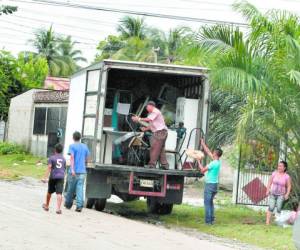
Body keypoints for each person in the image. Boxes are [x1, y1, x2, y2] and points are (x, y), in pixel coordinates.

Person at [132, 101, 169, 169]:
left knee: (154, 148)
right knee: (160, 149)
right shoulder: (152, 113)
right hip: (162, 132)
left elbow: (149, 119)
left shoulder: (155, 111)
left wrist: (139, 119)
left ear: (151, 106)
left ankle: (152, 165)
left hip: (160, 132)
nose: (146, 108)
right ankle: (165, 165)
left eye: (147, 106)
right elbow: (151, 124)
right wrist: (145, 129)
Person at [197, 139, 222, 225]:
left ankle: (208, 222)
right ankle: (211, 220)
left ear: (215, 154)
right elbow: (208, 152)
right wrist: (203, 144)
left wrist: (198, 162)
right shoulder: (217, 162)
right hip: (214, 185)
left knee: (207, 203)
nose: (212, 152)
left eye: (214, 152)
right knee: (210, 203)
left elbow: (203, 171)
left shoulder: (212, 164)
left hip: (209, 185)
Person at [65, 131, 90, 212]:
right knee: (80, 188)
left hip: (74, 171)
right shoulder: (85, 146)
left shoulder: (72, 146)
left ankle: (68, 204)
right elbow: (87, 158)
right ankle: (79, 206)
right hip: (82, 171)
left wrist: (72, 169)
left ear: (73, 138)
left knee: (70, 189)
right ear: (80, 138)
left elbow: (72, 157)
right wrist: (84, 164)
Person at [42, 143, 66, 214]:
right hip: (61, 177)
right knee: (59, 193)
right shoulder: (64, 159)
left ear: (55, 150)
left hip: (53, 176)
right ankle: (58, 209)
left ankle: (47, 206)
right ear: (61, 150)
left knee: (49, 191)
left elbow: (49, 167)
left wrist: (45, 178)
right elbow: (64, 168)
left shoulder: (51, 158)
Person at [266, 161, 291, 225]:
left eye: (280, 166)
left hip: (281, 195)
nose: (279, 167)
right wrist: (268, 190)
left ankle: (278, 221)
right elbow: (269, 182)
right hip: (273, 193)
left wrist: (287, 194)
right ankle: (267, 222)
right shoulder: (274, 173)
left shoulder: (287, 176)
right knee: (271, 207)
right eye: (278, 166)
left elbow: (289, 186)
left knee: (279, 208)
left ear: (284, 168)